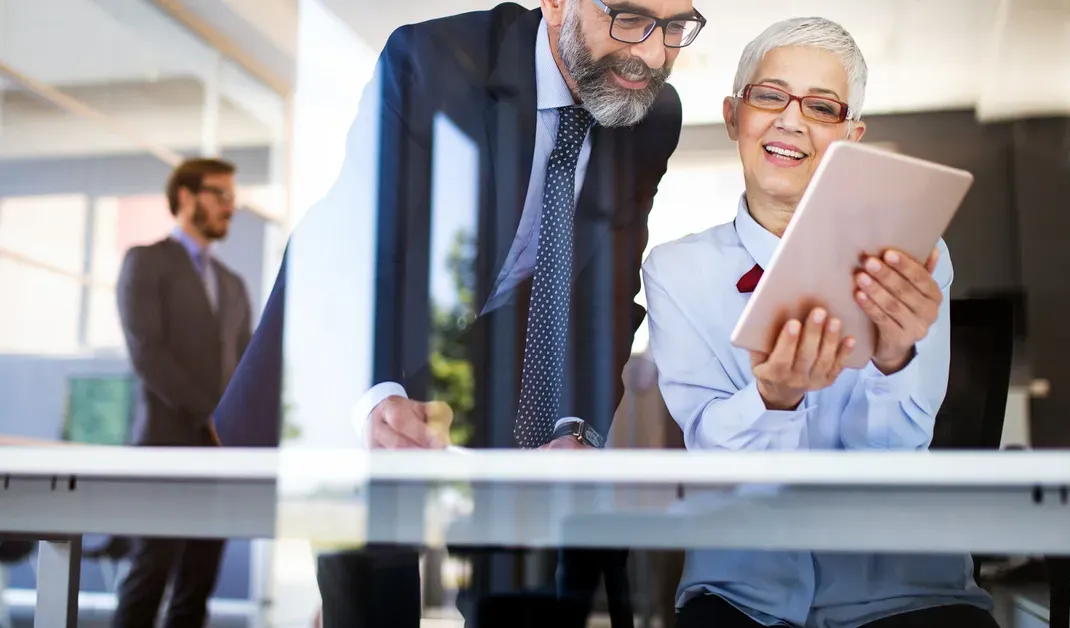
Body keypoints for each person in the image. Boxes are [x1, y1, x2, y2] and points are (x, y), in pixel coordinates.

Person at [212, 0, 705, 626]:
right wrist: (376, 395)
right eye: (629, 18)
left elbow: (603, 289)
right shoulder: (434, 61)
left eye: (674, 26)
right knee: (374, 593)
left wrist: (577, 427)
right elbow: (364, 244)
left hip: (501, 360)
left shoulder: (652, 114)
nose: (653, 54)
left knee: (523, 599)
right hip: (368, 336)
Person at [641, 17, 998, 628]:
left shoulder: (912, 256)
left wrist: (894, 360)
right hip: (741, 596)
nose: (791, 120)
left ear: (850, 137)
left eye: (822, 107)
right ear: (733, 115)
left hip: (904, 592)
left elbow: (892, 454)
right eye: (770, 96)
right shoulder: (674, 270)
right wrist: (772, 399)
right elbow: (715, 461)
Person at [113, 157, 252, 628]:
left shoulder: (233, 285)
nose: (230, 207)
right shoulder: (146, 261)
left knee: (196, 590)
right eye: (221, 194)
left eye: (233, 197)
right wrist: (211, 415)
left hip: (219, 458)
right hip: (164, 449)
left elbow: (247, 368)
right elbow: (147, 353)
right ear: (186, 197)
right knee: (147, 581)